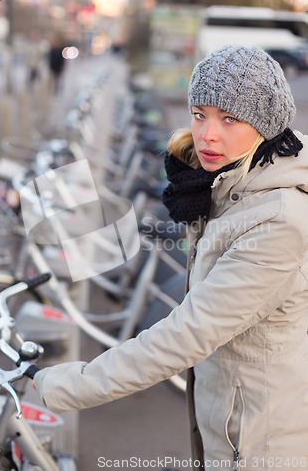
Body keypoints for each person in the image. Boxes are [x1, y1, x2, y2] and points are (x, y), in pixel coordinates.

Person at [33, 45, 308, 471]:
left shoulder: (277, 220)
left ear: (265, 125)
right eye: (199, 114)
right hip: (231, 421)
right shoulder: (226, 185)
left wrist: (60, 385)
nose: (207, 134)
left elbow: (186, 335)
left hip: (261, 444)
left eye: (230, 118)